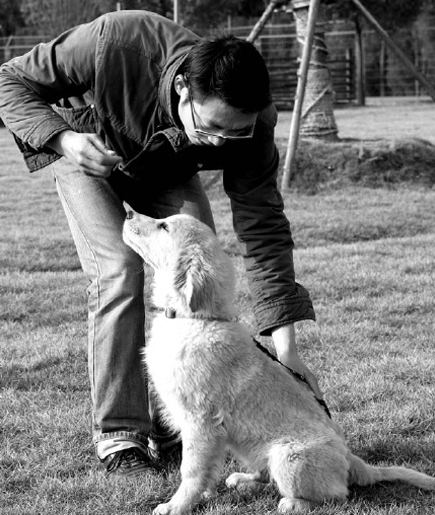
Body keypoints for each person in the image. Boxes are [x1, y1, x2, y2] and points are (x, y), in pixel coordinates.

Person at [0, 9, 321, 478]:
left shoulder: (253, 125)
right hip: (88, 153)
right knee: (120, 270)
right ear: (183, 91)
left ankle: (176, 418)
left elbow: (264, 227)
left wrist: (285, 343)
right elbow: (9, 80)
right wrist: (64, 139)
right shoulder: (115, 41)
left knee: (196, 266)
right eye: (212, 130)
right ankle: (120, 434)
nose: (221, 144)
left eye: (237, 133)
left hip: (165, 169)